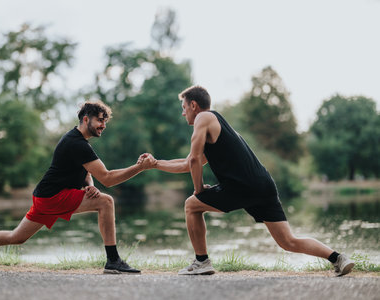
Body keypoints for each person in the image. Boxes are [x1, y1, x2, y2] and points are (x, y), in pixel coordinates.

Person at [141, 85, 354, 276]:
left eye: (184, 107)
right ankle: (338, 258)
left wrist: (198, 190)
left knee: (191, 205)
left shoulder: (203, 118)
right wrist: (156, 163)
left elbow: (195, 159)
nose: (183, 112)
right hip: (263, 185)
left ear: (194, 105)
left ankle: (201, 262)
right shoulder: (215, 127)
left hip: (240, 187)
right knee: (288, 241)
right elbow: (189, 162)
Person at [0, 101, 156, 274]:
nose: (103, 125)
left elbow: (88, 172)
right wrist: (140, 168)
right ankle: (113, 260)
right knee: (106, 201)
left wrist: (89, 186)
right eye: (100, 120)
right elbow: (109, 179)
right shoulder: (77, 144)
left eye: (105, 121)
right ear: (86, 119)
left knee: (16, 237)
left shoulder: (77, 140)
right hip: (53, 197)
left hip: (45, 196)